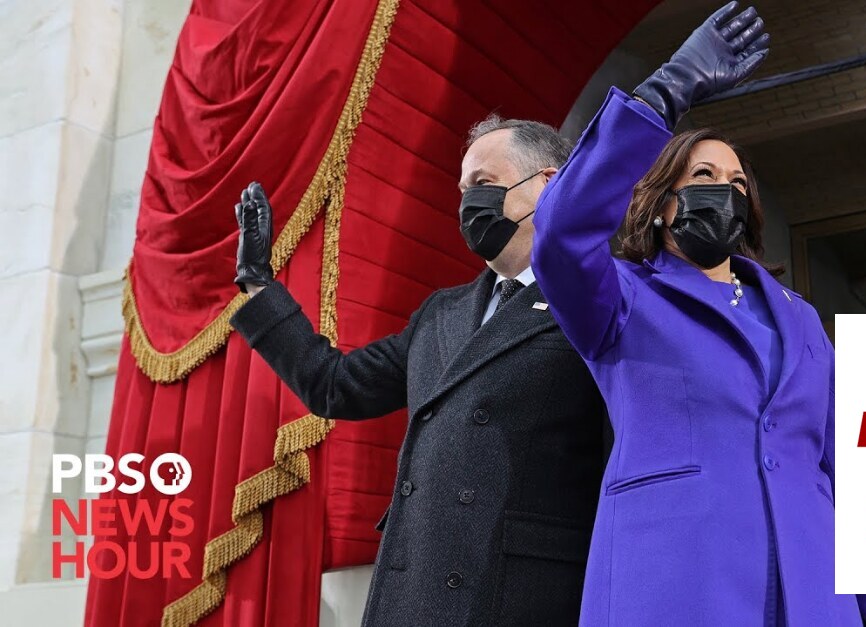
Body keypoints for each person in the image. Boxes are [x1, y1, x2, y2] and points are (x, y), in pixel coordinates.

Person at [531, 3, 866, 625]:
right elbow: (560, 234)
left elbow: (859, 481)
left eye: (737, 183)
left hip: (814, 596)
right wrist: (667, 91)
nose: (724, 189)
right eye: (704, 174)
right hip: (679, 588)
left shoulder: (801, 321)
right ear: (661, 204)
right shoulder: (621, 300)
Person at [228, 116, 610, 626]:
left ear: (548, 184)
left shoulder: (597, 299)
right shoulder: (441, 312)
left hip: (520, 594)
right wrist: (259, 286)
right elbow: (334, 386)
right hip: (417, 584)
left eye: (483, 183)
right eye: (463, 191)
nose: (468, 204)